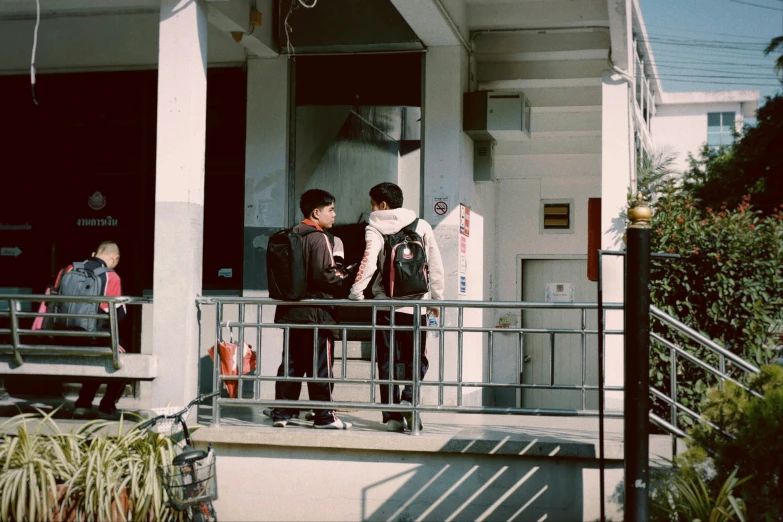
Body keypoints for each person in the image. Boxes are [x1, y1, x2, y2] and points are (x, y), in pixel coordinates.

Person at [349, 182, 444, 432]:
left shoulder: (374, 228)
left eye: (372, 203)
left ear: (382, 204)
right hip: (416, 308)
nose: (371, 208)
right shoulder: (421, 225)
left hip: (385, 308)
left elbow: (367, 262)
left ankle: (392, 417)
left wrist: (356, 293)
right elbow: (435, 264)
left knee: (387, 362)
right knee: (417, 358)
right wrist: (437, 299)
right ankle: (409, 399)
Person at [268, 189, 353, 429]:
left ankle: (282, 412)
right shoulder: (319, 237)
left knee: (291, 363)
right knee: (321, 365)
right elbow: (325, 275)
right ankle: (325, 415)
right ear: (317, 212)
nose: (335, 215)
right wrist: (345, 276)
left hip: (291, 310)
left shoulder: (292, 234)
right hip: (317, 312)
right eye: (331, 210)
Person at [55, 241, 127, 420]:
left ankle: (83, 404)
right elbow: (118, 314)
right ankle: (106, 406)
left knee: (100, 350)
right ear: (114, 258)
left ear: (94, 253)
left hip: (60, 336)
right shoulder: (111, 276)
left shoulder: (67, 269)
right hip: (90, 339)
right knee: (121, 357)